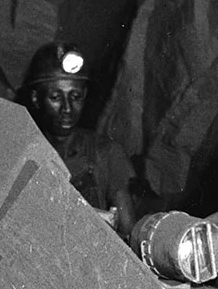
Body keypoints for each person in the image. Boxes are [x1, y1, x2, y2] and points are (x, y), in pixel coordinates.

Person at [18, 41, 139, 235]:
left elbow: (129, 232)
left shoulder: (105, 154)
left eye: (75, 97)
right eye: (55, 97)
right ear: (35, 98)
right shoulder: (21, 151)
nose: (67, 109)